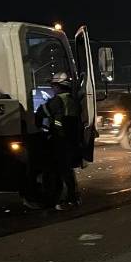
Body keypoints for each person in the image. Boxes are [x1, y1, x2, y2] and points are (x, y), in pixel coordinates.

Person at [44, 72, 82, 211]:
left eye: (53, 86)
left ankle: (66, 199)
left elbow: (42, 114)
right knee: (68, 171)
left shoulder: (56, 101)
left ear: (58, 86)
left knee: (60, 171)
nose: (52, 88)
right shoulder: (72, 100)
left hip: (60, 140)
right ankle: (74, 198)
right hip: (71, 140)